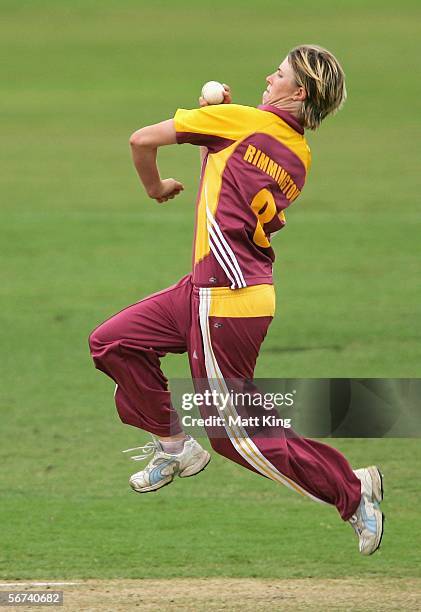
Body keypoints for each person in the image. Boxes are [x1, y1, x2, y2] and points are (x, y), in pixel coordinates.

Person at [89, 45, 384, 555]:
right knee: (115, 343)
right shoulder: (296, 151)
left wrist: (157, 186)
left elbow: (142, 140)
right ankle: (176, 446)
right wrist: (214, 123)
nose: (269, 76)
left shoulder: (238, 122)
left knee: (235, 437)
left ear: (300, 92)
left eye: (280, 74)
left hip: (226, 299)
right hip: (209, 291)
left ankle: (354, 492)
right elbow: (231, 163)